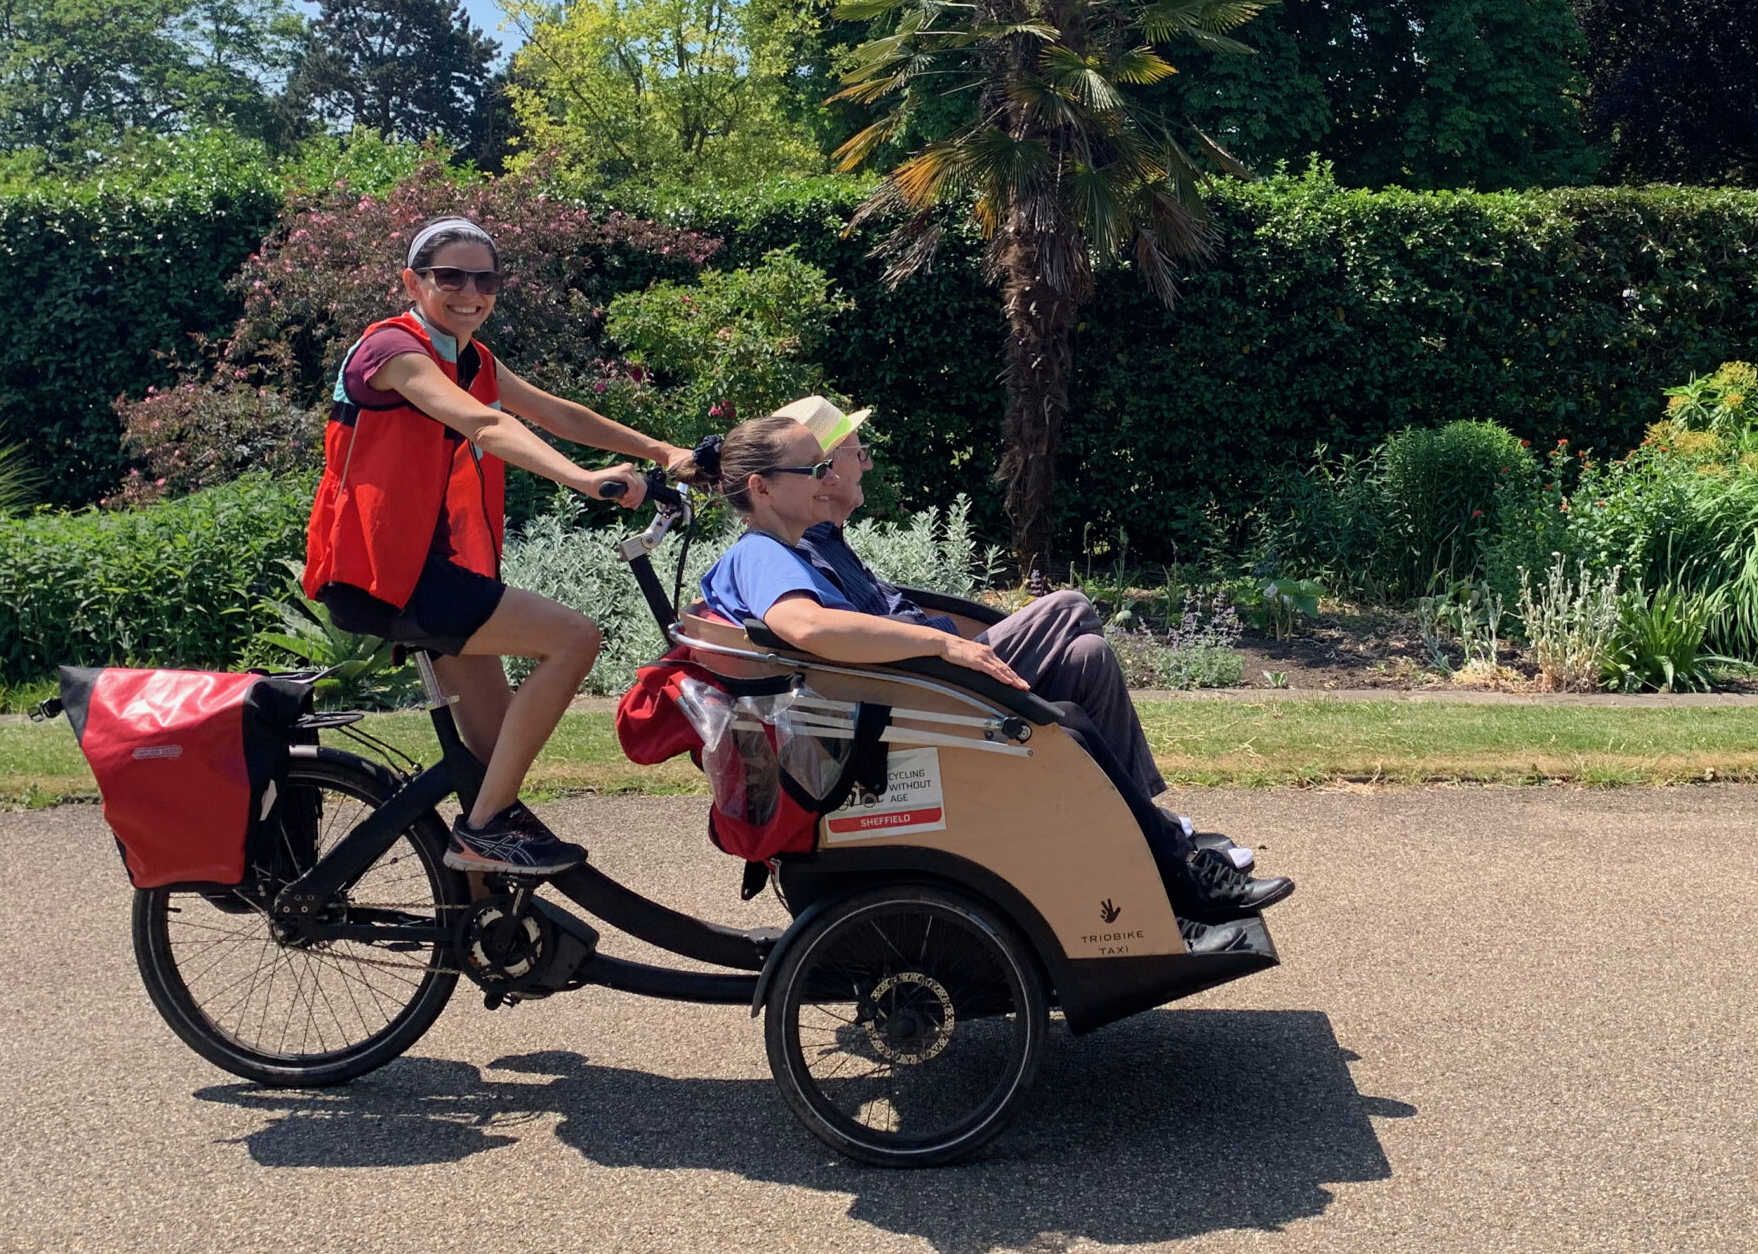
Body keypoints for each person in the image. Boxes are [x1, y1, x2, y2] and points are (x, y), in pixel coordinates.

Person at [692, 413, 1289, 924]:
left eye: (828, 466)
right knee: (1071, 622)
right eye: (813, 470)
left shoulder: (780, 551)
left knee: (1080, 677)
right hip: (903, 710)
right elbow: (808, 629)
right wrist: (947, 648)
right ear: (762, 489)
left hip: (894, 701)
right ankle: (1179, 871)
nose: (827, 480)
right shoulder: (762, 553)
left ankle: (1150, 854)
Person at [303, 216, 692, 878]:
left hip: (431, 570)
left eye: (484, 280)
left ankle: (484, 927)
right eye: (449, 277)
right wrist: (582, 478)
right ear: (412, 283)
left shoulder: (470, 357)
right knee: (574, 640)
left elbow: (554, 412)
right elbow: (484, 422)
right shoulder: (392, 353)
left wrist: (659, 450)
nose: (469, 292)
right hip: (387, 574)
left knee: (491, 765)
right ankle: (483, 831)